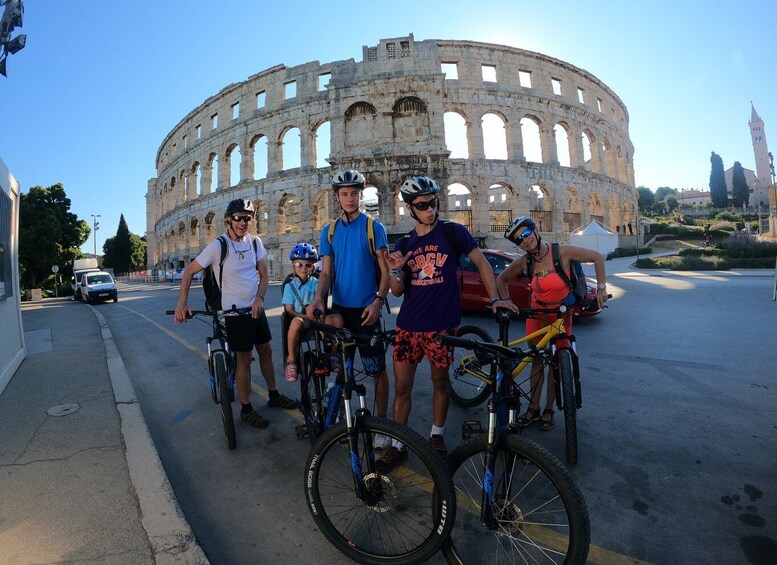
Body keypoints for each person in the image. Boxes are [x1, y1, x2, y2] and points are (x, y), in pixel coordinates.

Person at [377, 176, 517, 471]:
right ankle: (397, 445)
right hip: (409, 326)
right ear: (409, 208)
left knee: (440, 381)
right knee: (402, 388)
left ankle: (436, 435)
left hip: (442, 326)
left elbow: (481, 263)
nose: (431, 209)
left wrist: (494, 300)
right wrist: (395, 271)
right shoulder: (404, 243)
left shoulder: (453, 232)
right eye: (423, 205)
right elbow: (398, 291)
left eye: (434, 202)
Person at [174, 198, 298, 429]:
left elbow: (263, 273)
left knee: (267, 351)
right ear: (228, 220)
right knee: (243, 359)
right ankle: (246, 408)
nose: (244, 222)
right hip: (233, 312)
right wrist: (182, 303)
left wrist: (260, 298)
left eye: (248, 217)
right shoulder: (217, 246)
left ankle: (273, 395)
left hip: (255, 308)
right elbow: (189, 272)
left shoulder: (254, 243)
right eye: (239, 218)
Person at [496, 216, 608, 431]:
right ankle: (533, 408)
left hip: (561, 315)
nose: (525, 241)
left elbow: (596, 257)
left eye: (526, 234)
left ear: (535, 230)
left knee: (557, 363)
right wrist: (506, 302)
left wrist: (601, 288)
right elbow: (501, 279)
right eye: (519, 240)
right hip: (537, 315)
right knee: (537, 362)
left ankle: (549, 409)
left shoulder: (561, 252)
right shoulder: (526, 261)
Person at [307, 169, 392, 448]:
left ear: (360, 194)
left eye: (354, 193)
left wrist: (379, 301)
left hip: (367, 311)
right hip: (340, 311)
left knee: (376, 370)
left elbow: (386, 270)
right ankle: (340, 421)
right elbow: (326, 273)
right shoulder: (328, 231)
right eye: (344, 194)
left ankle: (382, 426)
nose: (350, 198)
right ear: (338, 197)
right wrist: (319, 298)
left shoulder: (373, 227)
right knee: (342, 370)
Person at [282, 242, 343, 381]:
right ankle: (291, 360)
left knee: (337, 319)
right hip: (301, 317)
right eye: (299, 265)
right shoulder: (290, 286)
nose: (303, 268)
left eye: (308, 265)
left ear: (313, 266)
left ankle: (333, 354)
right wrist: (305, 316)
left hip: (318, 316)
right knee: (296, 323)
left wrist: (320, 321)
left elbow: (321, 303)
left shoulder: (316, 283)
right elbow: (289, 310)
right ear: (293, 266)